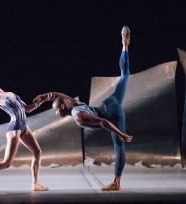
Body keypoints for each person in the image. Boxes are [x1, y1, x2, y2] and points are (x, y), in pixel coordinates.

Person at [33, 26, 132, 191]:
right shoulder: (71, 102)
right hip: (110, 102)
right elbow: (59, 96)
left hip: (109, 113)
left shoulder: (78, 114)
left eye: (56, 111)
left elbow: (102, 122)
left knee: (119, 145)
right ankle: (125, 46)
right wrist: (44, 97)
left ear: (63, 107)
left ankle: (116, 182)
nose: (55, 114)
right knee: (124, 75)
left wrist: (121, 134)